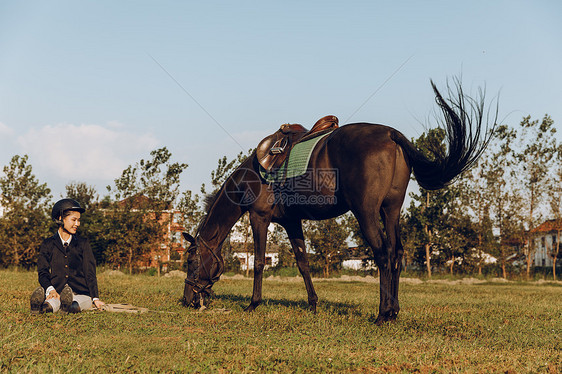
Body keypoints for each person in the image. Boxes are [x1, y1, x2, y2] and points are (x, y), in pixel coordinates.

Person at [30, 198, 105, 314]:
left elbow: (90, 272)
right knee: (50, 305)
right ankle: (38, 307)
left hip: (81, 293)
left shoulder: (83, 243)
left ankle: (65, 306)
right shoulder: (48, 244)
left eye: (79, 220)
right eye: (74, 220)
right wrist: (51, 289)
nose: (77, 224)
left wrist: (95, 298)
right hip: (57, 291)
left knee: (74, 305)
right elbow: (43, 271)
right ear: (60, 219)